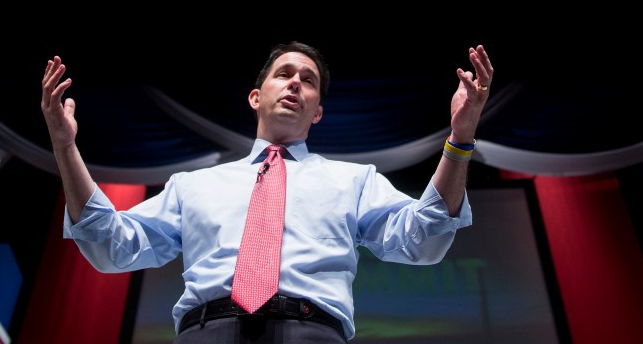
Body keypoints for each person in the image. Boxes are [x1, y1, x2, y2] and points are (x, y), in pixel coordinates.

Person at [40, 41, 493, 343]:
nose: (296, 82)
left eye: (309, 80)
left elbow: (425, 241)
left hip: (312, 333)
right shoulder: (193, 185)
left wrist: (460, 140)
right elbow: (110, 246)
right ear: (256, 96)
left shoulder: (355, 181)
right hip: (206, 333)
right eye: (284, 74)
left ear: (317, 113)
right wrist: (65, 147)